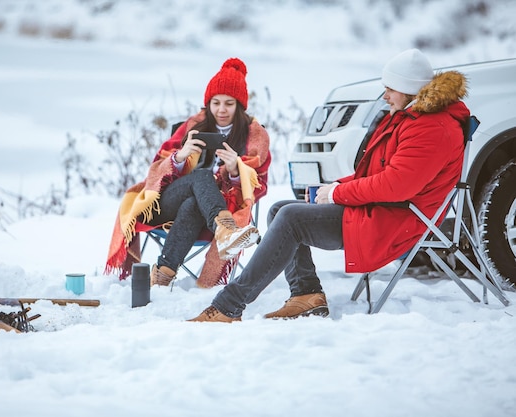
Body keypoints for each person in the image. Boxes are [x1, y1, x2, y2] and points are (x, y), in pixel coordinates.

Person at [189, 48, 470, 322]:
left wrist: (338, 193)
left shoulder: (431, 128)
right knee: (281, 209)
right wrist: (335, 186)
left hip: (396, 221)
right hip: (383, 210)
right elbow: (378, 173)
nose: (385, 95)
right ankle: (306, 296)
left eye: (391, 89)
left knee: (291, 219)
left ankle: (229, 305)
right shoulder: (413, 119)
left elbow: (397, 185)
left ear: (410, 90)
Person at [105, 58, 271, 288]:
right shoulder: (193, 126)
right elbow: (156, 170)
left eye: (229, 103)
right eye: (215, 103)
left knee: (193, 203)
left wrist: (236, 170)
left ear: (240, 106)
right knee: (202, 177)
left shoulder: (254, 137)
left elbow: (259, 185)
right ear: (208, 103)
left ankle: (162, 276)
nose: (221, 110)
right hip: (166, 204)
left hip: (205, 211)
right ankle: (226, 231)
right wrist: (180, 157)